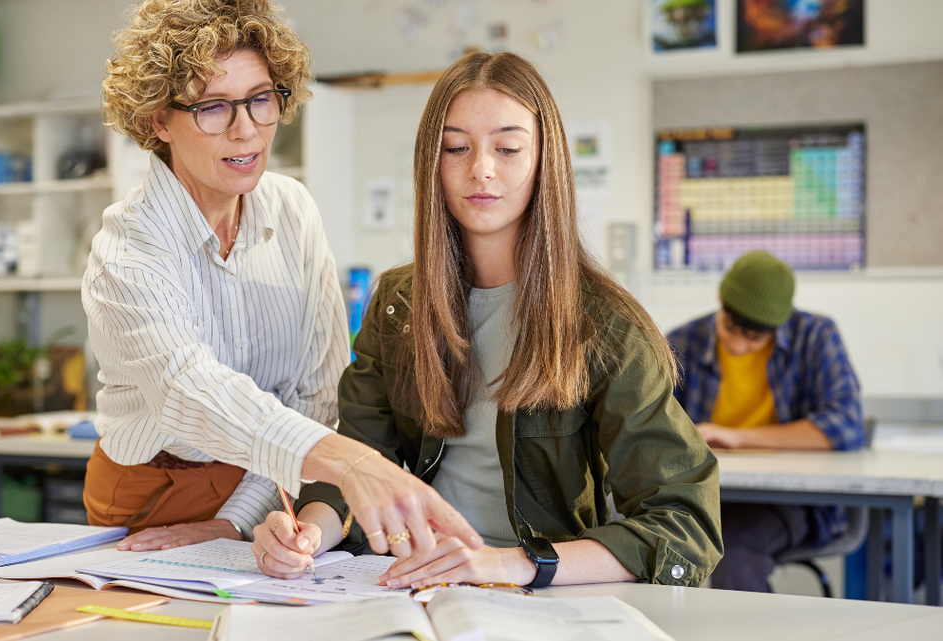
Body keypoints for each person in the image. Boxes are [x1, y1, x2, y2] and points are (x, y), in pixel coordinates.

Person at [250, 51, 722, 590]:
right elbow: (359, 463)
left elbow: (685, 525)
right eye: (456, 147)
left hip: (539, 600)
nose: (481, 169)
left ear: (546, 159)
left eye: (508, 147)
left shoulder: (605, 324)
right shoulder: (398, 304)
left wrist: (513, 563)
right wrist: (305, 534)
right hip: (404, 584)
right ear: (432, 161)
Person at [85, 0, 480, 557]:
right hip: (154, 491)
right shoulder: (127, 247)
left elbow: (316, 394)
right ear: (158, 118)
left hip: (271, 481)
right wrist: (349, 460)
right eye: (214, 107)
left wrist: (238, 521)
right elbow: (188, 390)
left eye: (260, 100)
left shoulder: (292, 211)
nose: (246, 131)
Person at [666, 250, 865, 592]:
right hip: (705, 496)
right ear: (720, 300)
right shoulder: (682, 342)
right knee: (639, 535)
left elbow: (845, 425)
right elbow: (652, 426)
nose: (741, 345)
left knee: (735, 546)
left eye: (756, 338)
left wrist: (738, 437)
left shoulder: (815, 336)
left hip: (789, 500)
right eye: (731, 328)